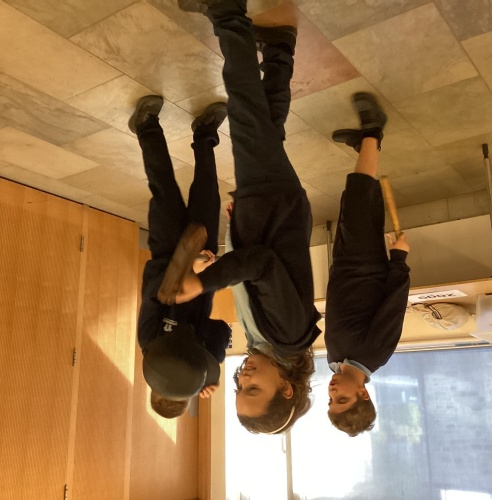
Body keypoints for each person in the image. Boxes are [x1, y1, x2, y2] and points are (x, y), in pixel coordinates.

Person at [166, 0, 322, 434]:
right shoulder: (288, 335)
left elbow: (255, 271)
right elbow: (264, 264)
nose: (243, 377)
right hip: (275, 202)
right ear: (286, 388)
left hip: (264, 212)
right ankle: (227, 12)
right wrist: (205, 283)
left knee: (266, 121)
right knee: (245, 110)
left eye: (239, 387)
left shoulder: (267, 344)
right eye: (253, 389)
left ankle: (279, 47)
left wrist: (232, 239)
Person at [129, 95, 232, 418]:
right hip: (203, 259)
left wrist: (186, 266)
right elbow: (222, 330)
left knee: (164, 187)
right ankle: (205, 133)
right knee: (207, 192)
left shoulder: (150, 340)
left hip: (169, 250)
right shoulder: (197, 357)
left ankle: (146, 127)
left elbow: (152, 291)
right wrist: (212, 362)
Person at [326, 92, 411, 436]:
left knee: (352, 202)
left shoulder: (334, 362)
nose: (332, 392)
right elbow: (395, 304)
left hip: (343, 265)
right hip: (366, 264)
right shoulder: (376, 354)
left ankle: (364, 147)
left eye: (330, 401)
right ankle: (373, 130)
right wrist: (399, 258)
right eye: (341, 399)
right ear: (363, 393)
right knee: (360, 197)